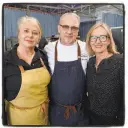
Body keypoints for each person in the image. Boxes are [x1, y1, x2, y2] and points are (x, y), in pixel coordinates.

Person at [3, 16, 51, 125]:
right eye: (26, 31)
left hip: (43, 115)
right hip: (18, 119)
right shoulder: (5, 60)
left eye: (35, 32)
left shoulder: (43, 57)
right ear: (18, 34)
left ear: (39, 37)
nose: (30, 35)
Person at [44, 12, 89, 126]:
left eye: (74, 28)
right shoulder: (48, 49)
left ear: (78, 30)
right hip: (57, 112)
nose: (69, 31)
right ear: (59, 28)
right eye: (65, 27)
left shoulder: (86, 48)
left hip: (81, 111)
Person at [85, 23, 124, 125]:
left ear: (108, 40)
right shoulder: (90, 62)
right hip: (91, 118)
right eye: (93, 38)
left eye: (102, 37)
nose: (97, 41)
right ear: (89, 41)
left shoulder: (120, 62)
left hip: (113, 121)